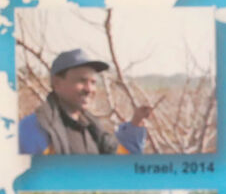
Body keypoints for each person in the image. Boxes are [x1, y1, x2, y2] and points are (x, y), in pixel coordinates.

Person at [17, 48, 149, 155]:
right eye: (81, 81)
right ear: (57, 83)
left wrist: (136, 123)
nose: (89, 89)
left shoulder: (92, 128)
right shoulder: (33, 129)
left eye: (93, 82)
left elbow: (121, 164)